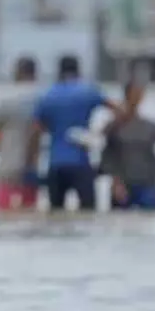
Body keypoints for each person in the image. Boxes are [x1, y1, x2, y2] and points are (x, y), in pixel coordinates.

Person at [27, 54, 118, 211]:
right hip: (81, 163)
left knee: (55, 216)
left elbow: (36, 131)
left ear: (58, 72)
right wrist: (101, 133)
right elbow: (119, 110)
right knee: (88, 214)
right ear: (79, 70)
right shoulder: (89, 91)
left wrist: (33, 163)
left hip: (55, 164)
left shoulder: (46, 96)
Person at [0, 56, 40, 210]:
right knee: (29, 212)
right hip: (33, 165)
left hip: (8, 165)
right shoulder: (43, 98)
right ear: (35, 74)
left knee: (0, 211)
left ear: (17, 73)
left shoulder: (6, 100)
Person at [100, 81, 155, 210]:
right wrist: (116, 181)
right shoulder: (114, 126)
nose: (137, 97)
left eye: (139, 94)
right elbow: (108, 155)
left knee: (150, 223)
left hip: (147, 182)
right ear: (127, 95)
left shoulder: (150, 127)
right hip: (123, 183)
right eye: (134, 93)